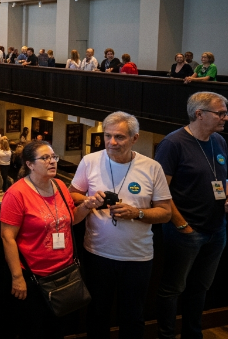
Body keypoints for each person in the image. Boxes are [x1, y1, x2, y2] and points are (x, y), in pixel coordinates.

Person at [69, 112, 172, 339]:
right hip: (97, 253)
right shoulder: (90, 161)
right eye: (108, 136)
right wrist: (89, 201)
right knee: (97, 314)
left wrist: (138, 212)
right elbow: (72, 196)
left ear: (135, 138)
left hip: (137, 257)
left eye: (119, 137)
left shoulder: (152, 168)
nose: (112, 142)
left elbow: (166, 213)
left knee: (133, 317)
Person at [0, 141, 100, 339]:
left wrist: (86, 206)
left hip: (65, 272)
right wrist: (17, 277)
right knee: (35, 329)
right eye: (45, 158)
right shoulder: (17, 193)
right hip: (35, 277)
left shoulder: (61, 186)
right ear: (29, 164)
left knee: (59, 330)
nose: (52, 161)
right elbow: (7, 237)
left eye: (53, 157)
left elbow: (71, 219)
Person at [155, 92, 228, 339]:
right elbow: (160, 192)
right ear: (199, 114)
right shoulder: (172, 144)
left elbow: (223, 177)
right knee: (173, 289)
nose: (225, 117)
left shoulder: (219, 141)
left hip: (216, 229)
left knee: (200, 288)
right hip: (186, 232)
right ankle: (166, 335)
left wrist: (227, 197)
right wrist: (182, 225)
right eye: (220, 113)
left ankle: (192, 335)